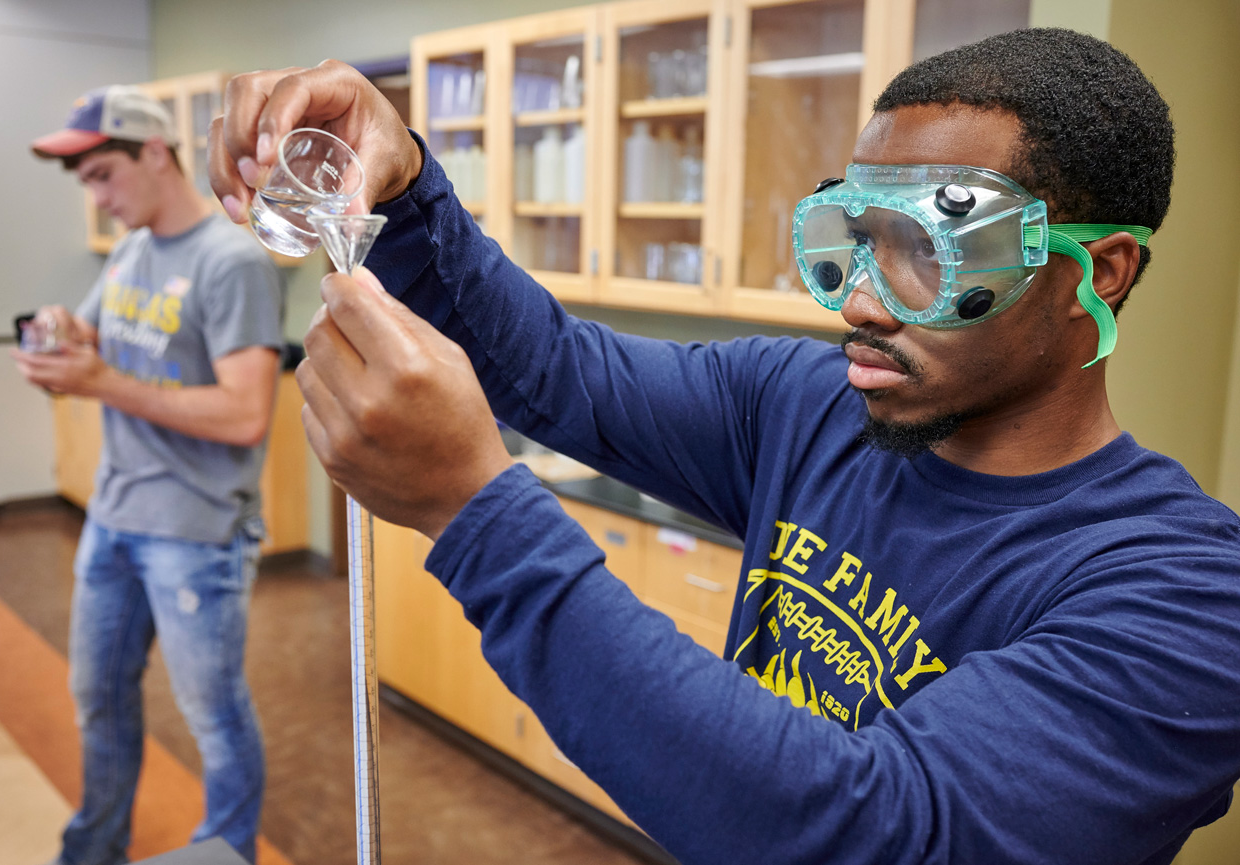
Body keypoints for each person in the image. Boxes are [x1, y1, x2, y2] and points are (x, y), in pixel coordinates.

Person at [210, 28, 1240, 865]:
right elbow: (556, 374)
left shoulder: (1185, 598)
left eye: (927, 248)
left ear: (1095, 273)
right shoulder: (808, 406)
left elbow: (875, 832)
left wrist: (479, 514)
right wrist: (405, 185)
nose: (864, 304)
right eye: (852, 242)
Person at [16, 85, 286, 865]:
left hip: (197, 532)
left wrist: (98, 381)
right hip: (113, 518)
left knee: (215, 716)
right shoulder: (134, 247)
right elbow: (94, 329)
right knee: (98, 700)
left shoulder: (231, 261)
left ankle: (228, 851)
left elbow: (244, 414)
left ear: (157, 155)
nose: (97, 198)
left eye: (103, 174)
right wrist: (60, 336)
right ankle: (93, 850)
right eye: (87, 183)